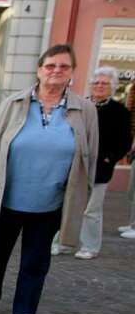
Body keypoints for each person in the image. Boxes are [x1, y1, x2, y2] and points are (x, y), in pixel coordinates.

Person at [0, 44, 98, 314]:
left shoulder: (84, 110)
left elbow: (88, 156)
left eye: (64, 67)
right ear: (39, 70)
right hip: (5, 198)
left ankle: (25, 312)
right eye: (51, 65)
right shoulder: (14, 103)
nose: (56, 71)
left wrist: (84, 196)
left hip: (50, 203)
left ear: (72, 73)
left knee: (36, 261)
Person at [57, 66, 130, 258]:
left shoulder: (119, 111)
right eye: (96, 82)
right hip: (74, 164)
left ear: (113, 87)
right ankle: (63, 243)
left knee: (92, 210)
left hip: (100, 168)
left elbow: (124, 142)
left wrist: (110, 159)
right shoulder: (79, 105)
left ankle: (89, 246)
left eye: (104, 83)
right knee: (66, 205)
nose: (99, 86)